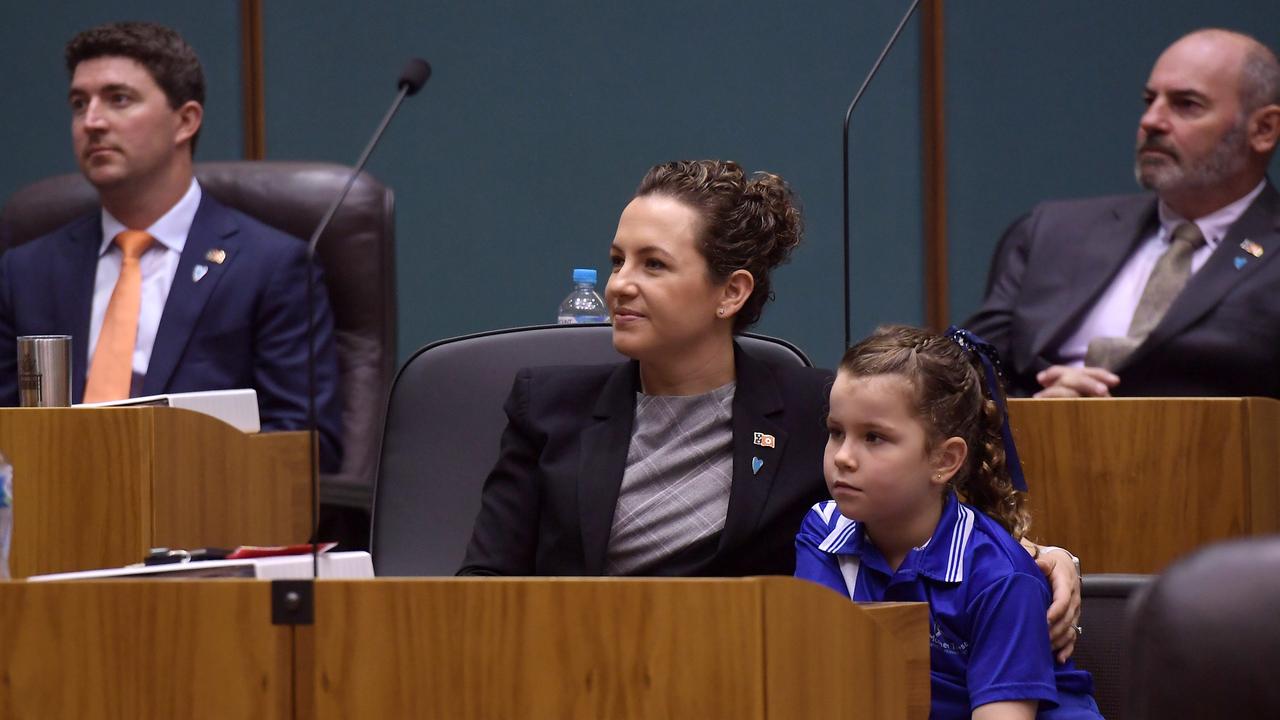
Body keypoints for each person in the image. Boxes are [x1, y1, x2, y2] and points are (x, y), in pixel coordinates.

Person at [459, 160, 1082, 658]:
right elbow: (482, 589)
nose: (619, 283)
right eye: (618, 259)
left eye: (653, 265)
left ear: (730, 292)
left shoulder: (818, 412)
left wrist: (1051, 559)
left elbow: (944, 520)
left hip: (732, 681)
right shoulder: (548, 407)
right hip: (568, 673)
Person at [0, 21, 342, 469]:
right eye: (79, 103)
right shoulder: (26, 271)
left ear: (185, 121)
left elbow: (306, 446)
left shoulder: (270, 265)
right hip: (51, 521)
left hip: (200, 522)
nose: (92, 122)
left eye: (118, 99)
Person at [796, 325, 1101, 719]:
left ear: (944, 460)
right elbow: (826, 680)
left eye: (874, 438)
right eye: (836, 432)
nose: (843, 457)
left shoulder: (1002, 577)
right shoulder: (822, 532)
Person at [966, 29, 1280, 398]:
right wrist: (1039, 410)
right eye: (1150, 100)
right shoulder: (1051, 233)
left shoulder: (1267, 250)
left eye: (1186, 104)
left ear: (1263, 130)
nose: (1151, 121)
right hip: (1038, 448)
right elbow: (963, 375)